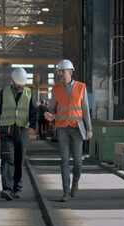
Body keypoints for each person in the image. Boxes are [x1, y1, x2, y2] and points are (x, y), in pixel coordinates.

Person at [44, 59, 92, 202]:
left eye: (62, 71)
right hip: (62, 127)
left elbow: (85, 110)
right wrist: (51, 115)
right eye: (59, 71)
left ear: (70, 72)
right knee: (64, 160)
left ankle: (75, 182)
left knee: (77, 161)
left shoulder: (81, 87)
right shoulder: (56, 88)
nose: (60, 73)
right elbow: (52, 108)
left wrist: (89, 128)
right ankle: (66, 191)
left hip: (77, 127)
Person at [0, 67, 38, 201]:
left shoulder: (29, 93)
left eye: (22, 83)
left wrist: (33, 127)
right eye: (17, 83)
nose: (19, 85)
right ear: (12, 80)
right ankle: (7, 189)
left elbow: (34, 111)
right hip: (7, 132)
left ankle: (17, 188)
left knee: (19, 160)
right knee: (7, 160)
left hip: (22, 132)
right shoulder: (3, 93)